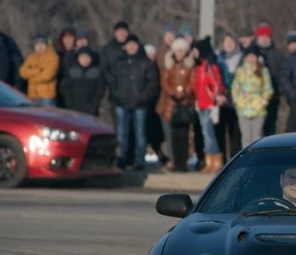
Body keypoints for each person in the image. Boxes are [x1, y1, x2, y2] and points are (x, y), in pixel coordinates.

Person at [108, 34, 158, 170]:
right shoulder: (119, 62)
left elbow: (152, 84)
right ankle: (121, 159)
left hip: (140, 104)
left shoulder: (145, 62)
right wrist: (118, 96)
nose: (131, 47)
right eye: (129, 45)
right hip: (121, 103)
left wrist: (143, 98)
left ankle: (139, 160)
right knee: (121, 134)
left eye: (134, 45)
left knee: (140, 134)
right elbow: (112, 82)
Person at [158, 37, 195, 171]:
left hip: (185, 104)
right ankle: (172, 161)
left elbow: (192, 81)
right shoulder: (168, 66)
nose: (179, 53)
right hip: (170, 104)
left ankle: (183, 162)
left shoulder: (190, 66)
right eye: (177, 50)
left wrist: (184, 92)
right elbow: (164, 82)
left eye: (182, 50)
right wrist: (172, 92)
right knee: (171, 135)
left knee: (184, 136)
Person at [192, 36, 227, 173]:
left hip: (210, 104)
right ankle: (209, 161)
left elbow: (217, 85)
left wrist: (214, 98)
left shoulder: (210, 67)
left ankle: (215, 160)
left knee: (209, 134)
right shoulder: (199, 66)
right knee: (205, 133)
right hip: (201, 104)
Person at [232, 45, 274, 148]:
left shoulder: (263, 71)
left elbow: (268, 89)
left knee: (257, 137)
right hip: (243, 109)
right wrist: (239, 102)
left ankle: (257, 160)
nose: (251, 58)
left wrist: (263, 102)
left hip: (259, 109)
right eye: (249, 56)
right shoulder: (240, 71)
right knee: (246, 138)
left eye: (253, 56)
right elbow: (235, 88)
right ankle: (247, 161)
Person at [60, 47, 106, 116]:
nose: (85, 60)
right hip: (74, 108)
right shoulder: (72, 71)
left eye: (87, 57)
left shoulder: (96, 72)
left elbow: (100, 90)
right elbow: (66, 88)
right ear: (78, 58)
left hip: (91, 108)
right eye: (82, 57)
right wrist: (69, 104)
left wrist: (94, 105)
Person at [19, 34, 59, 106]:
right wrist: (38, 71)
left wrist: (31, 79)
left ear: (46, 45)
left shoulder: (53, 57)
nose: (39, 47)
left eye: (42, 44)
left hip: (46, 96)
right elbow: (22, 72)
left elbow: (47, 76)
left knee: (48, 116)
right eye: (37, 44)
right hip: (32, 95)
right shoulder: (31, 57)